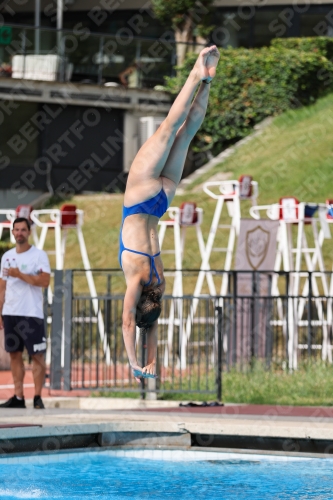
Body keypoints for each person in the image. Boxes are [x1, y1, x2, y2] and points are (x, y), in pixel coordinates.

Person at [119, 45, 220, 381]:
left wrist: (146, 363)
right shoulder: (135, 277)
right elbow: (129, 323)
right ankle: (196, 74)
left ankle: (206, 83)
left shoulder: (159, 283)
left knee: (186, 132)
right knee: (168, 129)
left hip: (161, 200)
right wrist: (133, 363)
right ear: (139, 301)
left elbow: (149, 325)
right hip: (140, 196)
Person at [0, 217, 51, 409]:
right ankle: (18, 397)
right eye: (16, 230)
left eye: (23, 230)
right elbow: (2, 287)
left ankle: (37, 397)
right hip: (11, 312)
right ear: (12, 232)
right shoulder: (6, 257)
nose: (19, 233)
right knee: (14, 354)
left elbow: (45, 282)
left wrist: (19, 274)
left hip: (31, 313)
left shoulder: (38, 255)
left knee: (37, 355)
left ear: (29, 232)